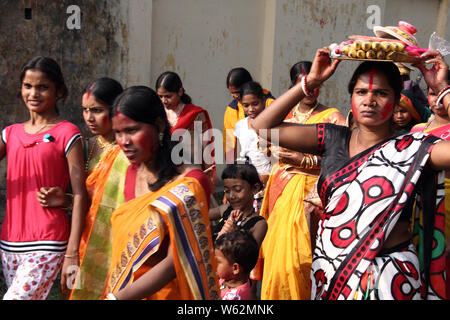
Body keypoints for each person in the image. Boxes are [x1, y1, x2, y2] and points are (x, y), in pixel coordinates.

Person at [252, 47, 450, 300]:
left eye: (381, 93)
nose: (370, 100)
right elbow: (262, 127)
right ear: (351, 98)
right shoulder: (332, 137)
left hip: (391, 278)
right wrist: (310, 83)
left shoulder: (413, 148)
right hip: (332, 272)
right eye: (361, 92)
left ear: (397, 98)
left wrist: (442, 88)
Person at [103, 86, 219, 300]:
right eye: (118, 133)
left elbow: (178, 258)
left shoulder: (189, 183)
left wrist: (120, 298)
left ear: (158, 125)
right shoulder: (129, 172)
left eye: (131, 130)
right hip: (124, 290)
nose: (123, 141)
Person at [0, 56, 88, 300]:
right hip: (9, 242)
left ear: (58, 91)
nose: (33, 93)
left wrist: (72, 252)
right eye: (27, 86)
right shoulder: (10, 133)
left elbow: (80, 194)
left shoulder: (68, 133)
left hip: (48, 241)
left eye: (42, 87)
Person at [257, 61, 345, 300]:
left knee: (299, 259)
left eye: (317, 85)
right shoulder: (282, 116)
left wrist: (304, 160)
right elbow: (261, 140)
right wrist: (272, 151)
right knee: (276, 256)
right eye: (304, 84)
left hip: (311, 195)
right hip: (280, 190)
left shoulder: (332, 117)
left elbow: (341, 160)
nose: (312, 90)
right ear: (296, 85)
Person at [37, 77, 126, 299]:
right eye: (85, 110)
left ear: (116, 110)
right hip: (84, 240)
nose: (88, 117)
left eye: (97, 110)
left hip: (117, 242)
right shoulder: (86, 146)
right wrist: (66, 200)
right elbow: (89, 199)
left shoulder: (128, 151)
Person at [411, 72, 450, 299]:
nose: (437, 101)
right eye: (432, 93)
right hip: (420, 204)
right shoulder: (417, 130)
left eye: (442, 94)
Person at [155, 71, 216, 191]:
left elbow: (207, 146)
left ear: (180, 92)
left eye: (168, 96)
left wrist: (210, 174)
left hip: (189, 174)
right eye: (160, 97)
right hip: (164, 174)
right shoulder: (158, 115)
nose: (164, 101)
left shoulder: (196, 115)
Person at [223, 67, 275, 163]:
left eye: (237, 92)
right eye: (231, 93)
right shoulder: (232, 109)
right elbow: (229, 142)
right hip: (245, 164)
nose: (234, 96)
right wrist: (231, 165)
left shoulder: (271, 104)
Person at [234, 81, 275, 184]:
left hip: (270, 178)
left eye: (255, 104)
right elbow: (239, 156)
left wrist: (268, 174)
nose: (251, 109)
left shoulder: (272, 124)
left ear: (263, 100)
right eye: (246, 105)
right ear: (241, 104)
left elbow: (278, 157)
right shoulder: (240, 125)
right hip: (247, 179)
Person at [215, 230, 260, 300]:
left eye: (218, 262)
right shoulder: (226, 279)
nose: (214, 264)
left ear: (235, 268)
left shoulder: (236, 296)